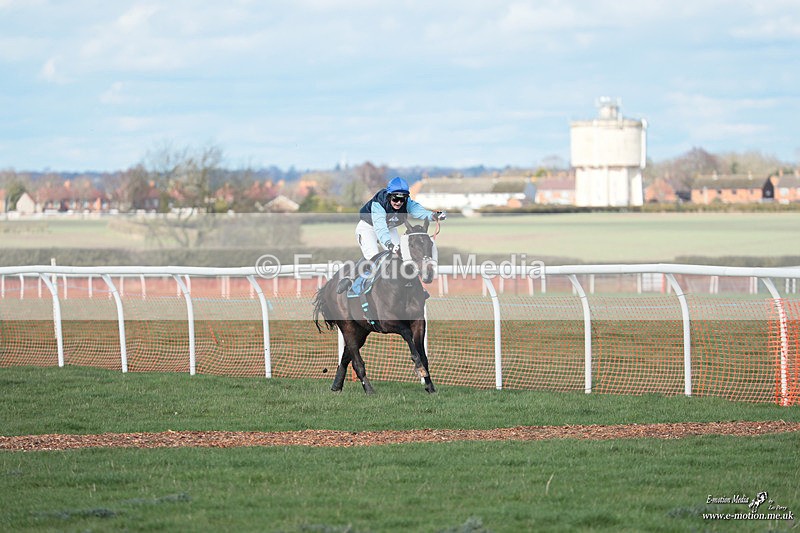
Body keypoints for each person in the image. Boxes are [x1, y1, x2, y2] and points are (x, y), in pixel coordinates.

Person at [337, 177, 445, 293]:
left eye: (402, 199)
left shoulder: (406, 202)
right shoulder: (379, 203)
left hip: (389, 228)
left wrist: (433, 216)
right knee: (374, 257)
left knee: (402, 255)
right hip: (368, 228)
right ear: (389, 196)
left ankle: (416, 287)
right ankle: (351, 278)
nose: (399, 202)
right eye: (395, 199)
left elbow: (418, 211)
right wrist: (389, 245)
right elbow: (380, 228)